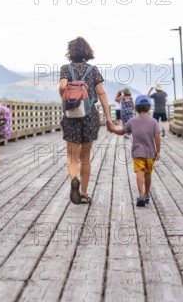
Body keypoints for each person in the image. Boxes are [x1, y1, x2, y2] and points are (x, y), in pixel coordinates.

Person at [59, 37, 113, 205]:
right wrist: (108, 117)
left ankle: (74, 178)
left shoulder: (65, 69)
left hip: (72, 116)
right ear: (87, 51)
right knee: (85, 157)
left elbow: (62, 87)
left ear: (71, 52)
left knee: (72, 156)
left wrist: (65, 98)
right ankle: (83, 194)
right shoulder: (93, 70)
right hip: (90, 116)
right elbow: (102, 94)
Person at [109, 95, 160, 207]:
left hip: (137, 153)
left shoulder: (132, 121)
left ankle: (141, 194)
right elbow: (157, 137)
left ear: (135, 108)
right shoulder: (154, 121)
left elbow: (122, 132)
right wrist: (158, 151)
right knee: (148, 173)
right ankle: (147, 194)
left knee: (140, 172)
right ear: (149, 107)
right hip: (150, 153)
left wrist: (113, 130)